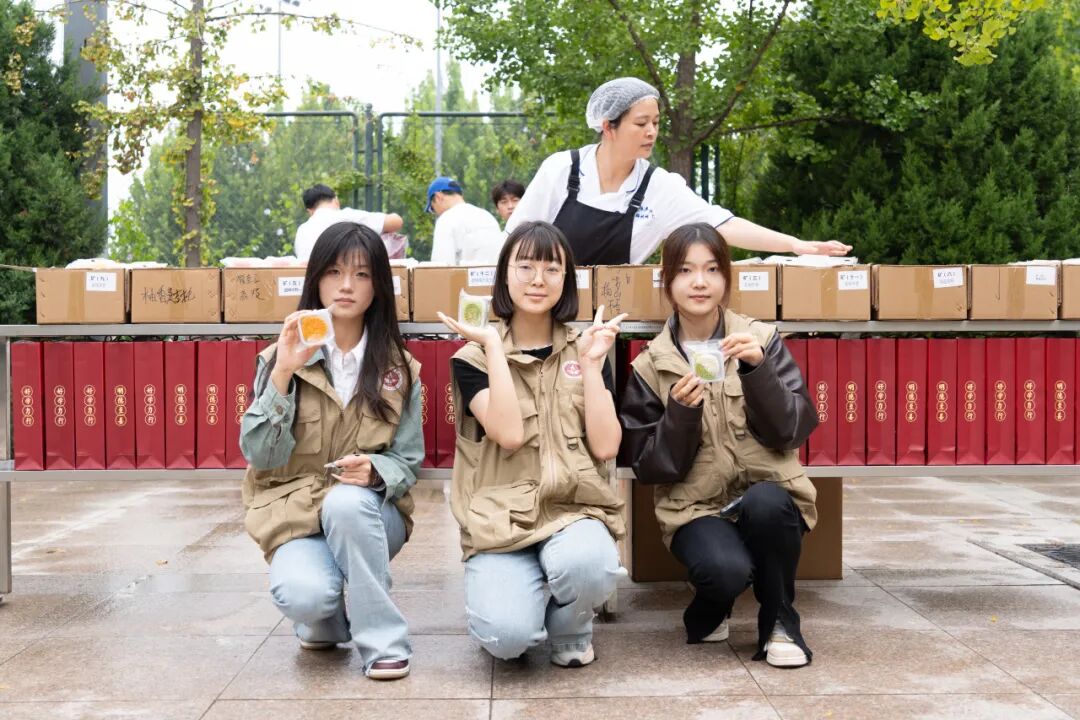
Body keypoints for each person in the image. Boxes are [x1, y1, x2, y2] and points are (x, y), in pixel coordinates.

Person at [618, 222, 819, 668]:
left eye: (712, 269)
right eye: (686, 270)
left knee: (767, 503)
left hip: (769, 495)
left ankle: (781, 623)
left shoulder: (760, 340)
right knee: (725, 570)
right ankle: (709, 610)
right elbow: (650, 467)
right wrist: (680, 414)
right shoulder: (651, 364)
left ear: (726, 278)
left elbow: (793, 430)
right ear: (668, 280)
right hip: (695, 508)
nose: (700, 282)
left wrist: (758, 371)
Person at [438, 221, 626, 667]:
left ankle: (568, 624)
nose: (538, 279)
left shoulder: (586, 347)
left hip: (573, 510)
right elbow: (508, 434)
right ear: (504, 274)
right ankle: (516, 603)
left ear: (566, 280)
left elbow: (606, 447)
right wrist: (493, 346)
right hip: (500, 522)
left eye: (551, 269)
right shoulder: (473, 357)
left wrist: (593, 366)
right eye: (525, 267)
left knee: (591, 566)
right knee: (507, 639)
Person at [240, 222, 422, 681]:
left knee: (345, 503)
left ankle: (383, 644)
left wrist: (376, 470)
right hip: (295, 514)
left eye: (361, 274)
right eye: (334, 272)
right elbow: (260, 454)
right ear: (316, 280)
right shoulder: (279, 358)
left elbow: (408, 460)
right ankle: (326, 619)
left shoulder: (399, 367)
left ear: (378, 287)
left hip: (369, 516)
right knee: (308, 598)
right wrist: (284, 372)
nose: (346, 286)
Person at [506, 77, 852, 266]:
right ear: (608, 126)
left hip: (607, 321)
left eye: (656, 123)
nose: (651, 132)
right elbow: (516, 242)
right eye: (641, 123)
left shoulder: (658, 187)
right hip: (542, 308)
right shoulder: (562, 170)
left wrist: (794, 244)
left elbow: (723, 224)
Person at [294, 184, 404, 261]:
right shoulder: (346, 216)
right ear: (336, 200)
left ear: (310, 211)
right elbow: (396, 222)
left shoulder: (302, 230)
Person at [426, 176, 504, 264]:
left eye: (432, 208)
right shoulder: (487, 216)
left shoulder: (445, 220)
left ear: (438, 197)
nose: (436, 213)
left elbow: (440, 266)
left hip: (466, 273)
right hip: (498, 272)